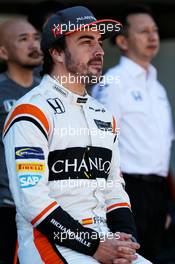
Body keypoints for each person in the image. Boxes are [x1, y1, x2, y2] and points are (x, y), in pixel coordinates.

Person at [2, 6, 151, 264]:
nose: (99, 51)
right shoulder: (31, 110)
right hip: (49, 242)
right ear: (57, 52)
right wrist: (95, 246)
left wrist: (124, 242)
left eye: (99, 42)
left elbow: (114, 188)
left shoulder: (104, 114)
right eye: (85, 41)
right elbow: (31, 200)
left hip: (104, 240)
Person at [92, 4, 174, 263]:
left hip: (158, 191)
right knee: (128, 258)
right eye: (143, 31)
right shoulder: (113, 82)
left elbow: (162, 146)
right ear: (123, 41)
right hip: (128, 189)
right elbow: (101, 139)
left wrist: (166, 201)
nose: (152, 37)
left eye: (155, 31)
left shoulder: (158, 87)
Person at [0, 18, 42, 263]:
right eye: (23, 39)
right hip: (6, 205)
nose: (33, 44)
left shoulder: (47, 91)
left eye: (36, 37)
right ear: (3, 52)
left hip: (43, 206)